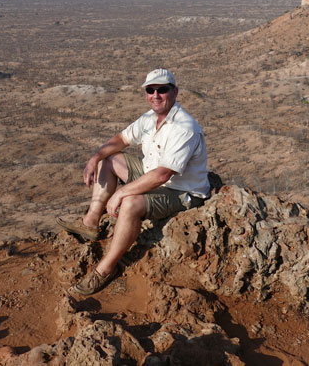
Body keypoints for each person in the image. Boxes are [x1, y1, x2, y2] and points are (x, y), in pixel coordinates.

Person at [57, 68, 210, 295]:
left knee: (130, 203)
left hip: (181, 192)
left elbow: (163, 175)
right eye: (150, 90)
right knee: (109, 159)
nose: (155, 95)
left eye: (162, 89)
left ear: (175, 92)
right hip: (152, 175)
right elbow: (121, 139)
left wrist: (121, 193)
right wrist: (95, 158)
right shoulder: (150, 118)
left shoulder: (184, 127)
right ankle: (90, 222)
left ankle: (105, 269)